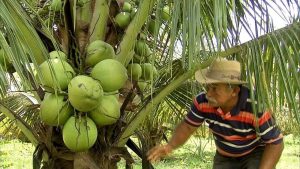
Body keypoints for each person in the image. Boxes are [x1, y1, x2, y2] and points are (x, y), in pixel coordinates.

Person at [147, 59, 284, 169]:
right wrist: (169, 146)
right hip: (224, 156)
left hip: (253, 153)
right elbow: (188, 126)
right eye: (207, 87)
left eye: (214, 88)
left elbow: (275, 143)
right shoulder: (202, 102)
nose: (208, 94)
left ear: (234, 91)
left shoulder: (256, 107)